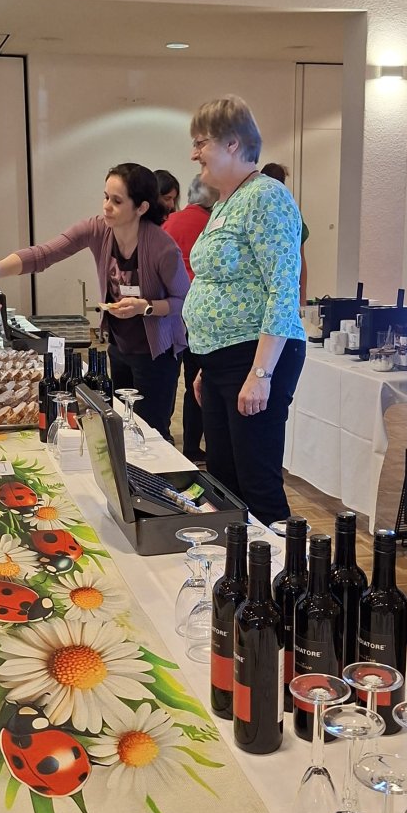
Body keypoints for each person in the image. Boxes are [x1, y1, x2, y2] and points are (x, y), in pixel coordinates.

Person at [0, 162, 189, 440]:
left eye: (117, 201)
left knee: (152, 433)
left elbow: (183, 299)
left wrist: (146, 307)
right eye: (105, 197)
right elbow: (43, 254)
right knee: (120, 426)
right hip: (120, 346)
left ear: (141, 207)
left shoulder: (161, 246)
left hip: (157, 352)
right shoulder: (98, 229)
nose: (106, 206)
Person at [183, 96, 306, 525]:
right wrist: (209, 365)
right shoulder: (225, 202)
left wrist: (260, 373)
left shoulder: (266, 196)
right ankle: (237, 563)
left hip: (256, 357)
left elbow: (283, 289)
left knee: (258, 484)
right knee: (224, 482)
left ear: (233, 143)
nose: (194, 154)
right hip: (224, 361)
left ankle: (283, 567)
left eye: (201, 142)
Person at [163, 174, 219, 463]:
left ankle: (175, 441)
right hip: (203, 312)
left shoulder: (170, 222)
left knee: (179, 381)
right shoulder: (214, 223)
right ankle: (196, 446)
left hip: (174, 312)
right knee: (200, 382)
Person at [260, 162, 309, 305]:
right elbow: (301, 259)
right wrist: (302, 298)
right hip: (285, 285)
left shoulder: (257, 209)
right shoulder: (291, 211)